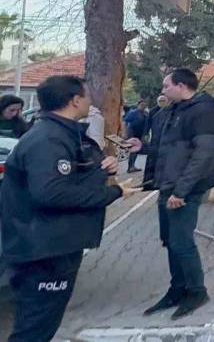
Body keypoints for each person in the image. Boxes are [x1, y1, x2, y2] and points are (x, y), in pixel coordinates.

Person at [1, 76, 140, 341]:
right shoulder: (48, 139)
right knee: (34, 329)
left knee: (41, 325)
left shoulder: (62, 134)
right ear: (75, 100)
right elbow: (51, 192)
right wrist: (112, 193)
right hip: (44, 250)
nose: (90, 102)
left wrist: (100, 169)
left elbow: (65, 175)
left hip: (52, 245)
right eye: (86, 96)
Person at [127, 68, 214, 319]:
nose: (163, 90)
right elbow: (167, 149)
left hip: (185, 189)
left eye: (166, 86)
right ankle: (177, 289)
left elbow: (203, 155)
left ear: (181, 86)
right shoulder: (172, 112)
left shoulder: (203, 111)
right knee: (170, 239)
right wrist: (142, 147)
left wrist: (181, 191)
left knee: (181, 241)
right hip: (167, 185)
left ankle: (196, 291)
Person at [141, 95, 171, 191]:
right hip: (155, 138)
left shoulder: (170, 110)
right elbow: (148, 123)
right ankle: (148, 182)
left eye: (163, 101)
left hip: (165, 139)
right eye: (160, 101)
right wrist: (145, 134)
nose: (162, 102)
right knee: (151, 160)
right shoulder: (153, 111)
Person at [124, 99, 149, 172]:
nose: (143, 106)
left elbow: (147, 125)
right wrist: (124, 133)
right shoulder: (133, 113)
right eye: (141, 105)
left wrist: (145, 135)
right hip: (132, 133)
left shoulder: (146, 114)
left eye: (144, 105)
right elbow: (125, 121)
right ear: (138, 105)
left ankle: (132, 166)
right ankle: (130, 167)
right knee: (133, 150)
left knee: (137, 150)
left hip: (140, 134)